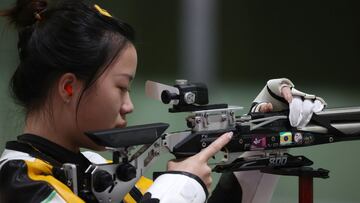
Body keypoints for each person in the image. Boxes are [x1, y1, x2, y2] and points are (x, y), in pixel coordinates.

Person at [0, 0, 325, 202]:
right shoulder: (18, 182)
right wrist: (182, 186)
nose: (128, 106)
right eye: (121, 87)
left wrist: (259, 137)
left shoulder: (95, 170)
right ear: (69, 87)